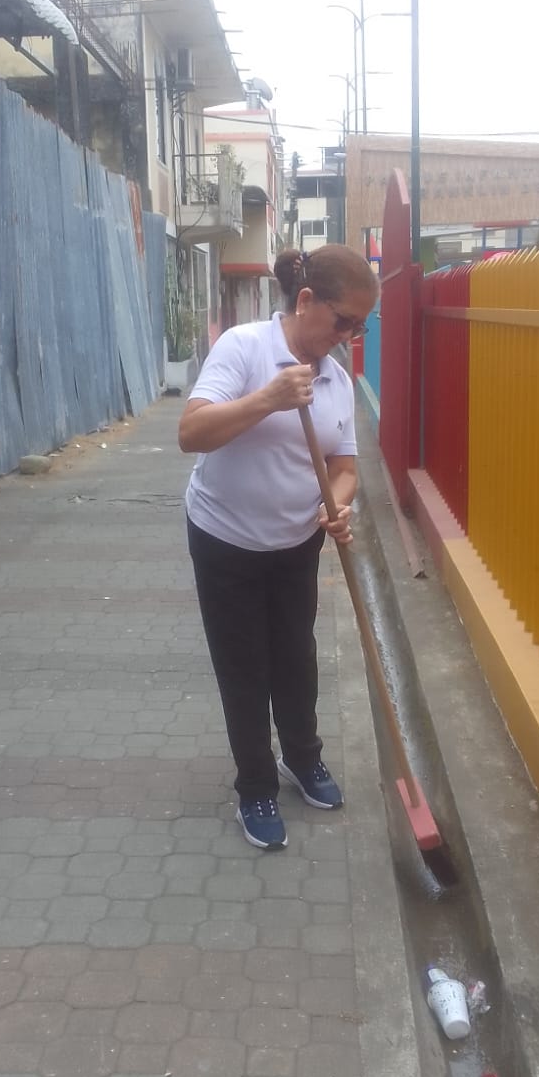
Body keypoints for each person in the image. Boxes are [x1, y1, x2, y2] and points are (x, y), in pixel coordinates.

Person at [178, 244, 378, 849]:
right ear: (307, 300)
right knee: (245, 667)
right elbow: (191, 432)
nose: (348, 337)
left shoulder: (336, 381)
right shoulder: (244, 347)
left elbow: (345, 467)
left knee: (296, 658)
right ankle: (256, 786)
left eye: (360, 327)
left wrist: (337, 505)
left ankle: (302, 757)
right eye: (343, 321)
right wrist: (268, 398)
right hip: (225, 538)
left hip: (296, 542)